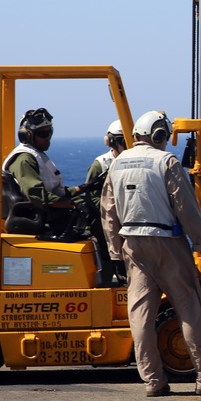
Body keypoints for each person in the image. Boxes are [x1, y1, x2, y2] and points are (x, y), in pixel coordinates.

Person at [101, 110, 201, 397]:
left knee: (140, 317)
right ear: (159, 134)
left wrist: (114, 255)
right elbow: (186, 207)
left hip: (132, 246)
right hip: (167, 243)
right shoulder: (166, 161)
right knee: (190, 310)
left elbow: (109, 213)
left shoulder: (116, 163)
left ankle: (153, 382)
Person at [3, 107, 85, 239]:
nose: (48, 138)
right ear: (27, 136)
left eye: (49, 132)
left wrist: (84, 187)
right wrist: (73, 205)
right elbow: (37, 195)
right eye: (42, 134)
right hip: (38, 215)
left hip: (46, 212)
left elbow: (53, 191)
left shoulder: (37, 156)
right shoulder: (24, 160)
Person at [84, 120, 127, 282]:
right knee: (108, 262)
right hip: (106, 224)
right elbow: (90, 197)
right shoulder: (101, 165)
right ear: (113, 142)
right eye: (124, 142)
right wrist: (114, 208)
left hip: (128, 222)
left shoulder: (134, 161)